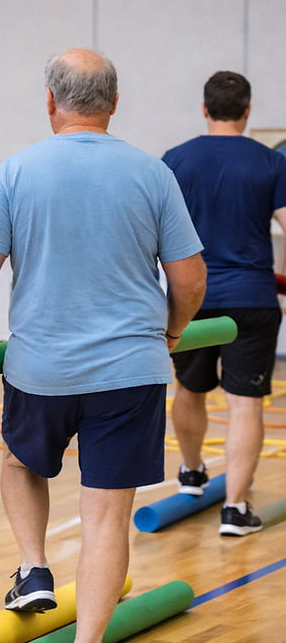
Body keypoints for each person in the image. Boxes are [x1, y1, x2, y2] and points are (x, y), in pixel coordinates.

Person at [0, 49, 206, 642]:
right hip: (131, 372)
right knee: (108, 519)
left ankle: (33, 567)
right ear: (114, 103)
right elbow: (190, 277)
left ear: (51, 102)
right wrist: (173, 331)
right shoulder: (153, 173)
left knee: (21, 461)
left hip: (41, 370)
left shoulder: (16, 170)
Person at [163, 71, 286, 536]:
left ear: (204, 108)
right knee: (245, 404)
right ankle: (234, 509)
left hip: (190, 298)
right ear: (248, 110)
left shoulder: (176, 160)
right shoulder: (270, 163)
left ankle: (192, 473)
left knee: (189, 389)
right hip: (252, 299)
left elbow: (152, 232)